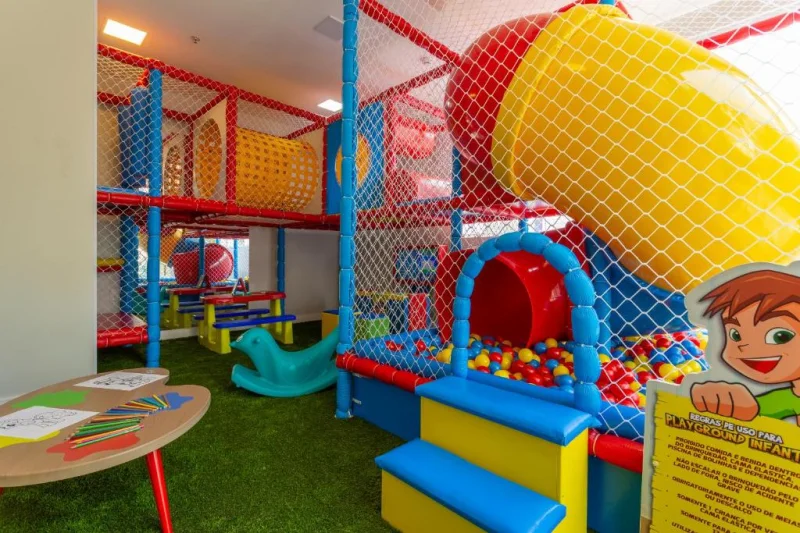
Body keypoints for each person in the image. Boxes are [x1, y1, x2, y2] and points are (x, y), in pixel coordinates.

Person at [690, 270, 800, 424]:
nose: (745, 346)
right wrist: (727, 402)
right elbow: (755, 410)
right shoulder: (787, 398)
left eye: (780, 336)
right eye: (735, 335)